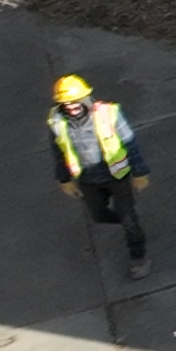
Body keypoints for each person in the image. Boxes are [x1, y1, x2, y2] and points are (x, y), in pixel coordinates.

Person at [45, 72, 146, 269]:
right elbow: (58, 151)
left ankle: (138, 256)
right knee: (98, 216)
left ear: (84, 98)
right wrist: (64, 179)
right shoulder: (57, 122)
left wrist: (140, 172)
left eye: (75, 102)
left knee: (127, 217)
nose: (72, 107)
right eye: (66, 104)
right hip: (88, 180)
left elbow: (130, 143)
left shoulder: (108, 114)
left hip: (116, 176)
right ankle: (130, 224)